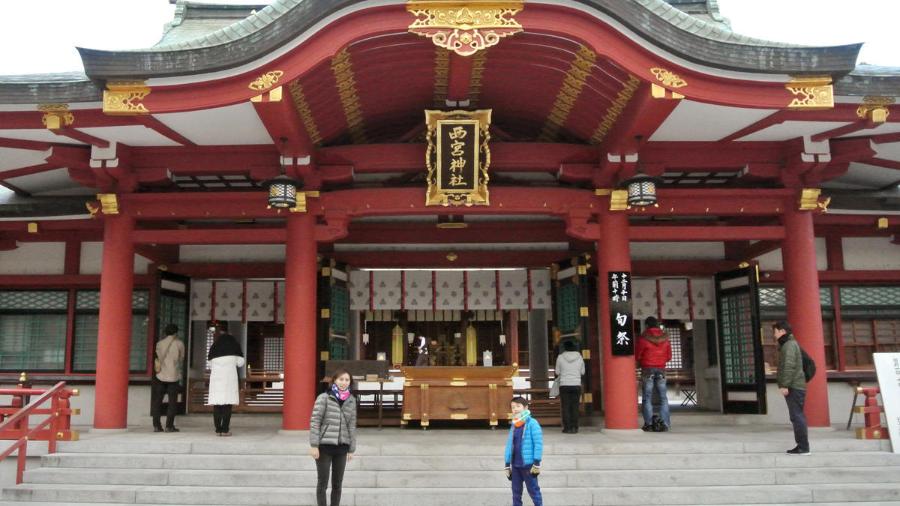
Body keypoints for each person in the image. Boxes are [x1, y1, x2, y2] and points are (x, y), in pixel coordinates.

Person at [309, 369, 358, 506]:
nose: (344, 382)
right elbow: (315, 421)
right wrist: (314, 445)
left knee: (337, 485)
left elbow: (351, 425)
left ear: (350, 382)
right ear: (334, 381)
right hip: (324, 447)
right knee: (322, 484)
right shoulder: (324, 397)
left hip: (342, 448)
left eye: (347, 380)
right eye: (341, 379)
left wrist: (351, 448)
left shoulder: (351, 400)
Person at [773, 321, 810, 455]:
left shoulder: (788, 345)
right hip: (796, 385)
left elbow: (788, 366)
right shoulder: (790, 344)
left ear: (782, 331)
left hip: (794, 386)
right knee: (796, 416)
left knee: (797, 416)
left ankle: (803, 447)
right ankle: (801, 445)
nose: (774, 335)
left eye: (775, 331)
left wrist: (785, 385)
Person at [504, 396, 543, 506]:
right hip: (515, 465)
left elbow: (538, 444)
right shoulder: (514, 425)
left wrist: (536, 463)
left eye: (518, 406)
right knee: (516, 492)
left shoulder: (532, 423)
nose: (515, 409)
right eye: (512, 407)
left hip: (529, 465)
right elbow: (509, 445)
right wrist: (507, 464)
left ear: (525, 407)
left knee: (533, 491)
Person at [206, 325, 245, 437]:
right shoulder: (234, 348)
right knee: (227, 406)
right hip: (229, 380)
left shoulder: (214, 348)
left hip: (216, 381)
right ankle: (225, 429)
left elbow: (210, 364)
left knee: (217, 406)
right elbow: (240, 363)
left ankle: (218, 429)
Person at [635, 316, 672, 432]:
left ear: (646, 326)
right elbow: (669, 356)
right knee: (663, 398)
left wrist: (641, 361)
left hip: (647, 369)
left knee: (647, 397)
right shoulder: (665, 339)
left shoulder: (643, 338)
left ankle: (649, 424)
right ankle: (665, 423)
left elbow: (637, 355)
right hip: (661, 369)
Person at [151, 324, 185, 433]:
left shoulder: (159, 344)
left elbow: (156, 358)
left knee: (157, 401)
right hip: (173, 376)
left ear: (165, 333)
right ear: (176, 332)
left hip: (160, 375)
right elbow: (181, 358)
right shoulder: (179, 344)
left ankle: (156, 425)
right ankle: (169, 426)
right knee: (172, 402)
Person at [555, 340, 585, 434]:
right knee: (575, 406)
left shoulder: (560, 357)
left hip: (564, 384)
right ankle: (575, 427)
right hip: (576, 384)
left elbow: (557, 372)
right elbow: (582, 372)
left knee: (566, 406)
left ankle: (567, 428)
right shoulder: (580, 357)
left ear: (565, 348)